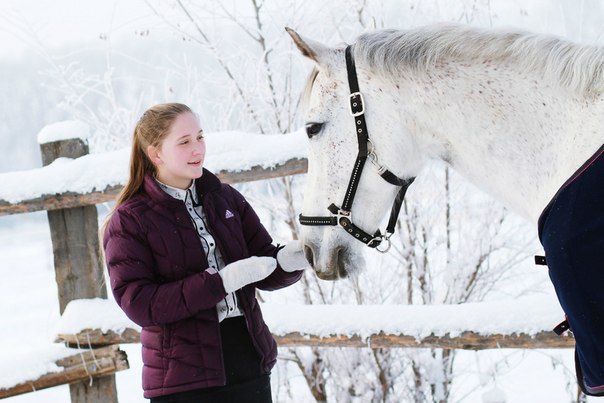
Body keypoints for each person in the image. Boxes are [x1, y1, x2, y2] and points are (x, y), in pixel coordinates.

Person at [102, 103, 309, 402]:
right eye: (184, 142)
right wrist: (219, 283)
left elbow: (262, 263)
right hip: (183, 379)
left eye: (200, 137)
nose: (197, 148)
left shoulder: (224, 198)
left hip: (248, 359)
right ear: (156, 154)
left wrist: (291, 259)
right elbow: (139, 304)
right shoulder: (131, 220)